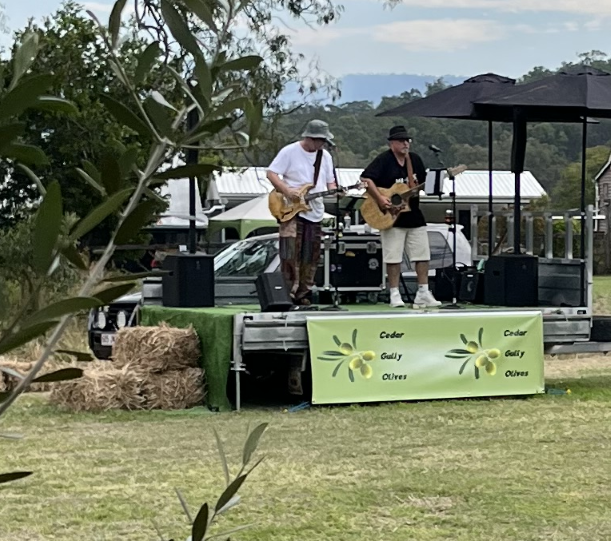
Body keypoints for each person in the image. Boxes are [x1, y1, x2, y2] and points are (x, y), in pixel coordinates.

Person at [360, 125, 441, 308]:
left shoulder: (415, 160)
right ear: (392, 143)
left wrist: (435, 183)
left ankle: (423, 291)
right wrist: (380, 198)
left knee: (422, 254)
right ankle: (394, 293)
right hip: (391, 217)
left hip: (414, 215)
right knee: (393, 256)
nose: (406, 143)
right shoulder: (384, 160)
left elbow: (421, 184)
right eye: (401, 140)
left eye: (407, 140)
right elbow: (366, 178)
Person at [267, 119, 337, 305]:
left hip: (315, 210)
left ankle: (304, 294)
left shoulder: (326, 157)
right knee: (290, 253)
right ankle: (287, 293)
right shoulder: (289, 152)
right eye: (320, 140)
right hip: (291, 210)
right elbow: (272, 173)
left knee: (311, 255)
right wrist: (288, 191)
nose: (322, 144)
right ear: (310, 138)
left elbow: (330, 182)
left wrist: (336, 190)